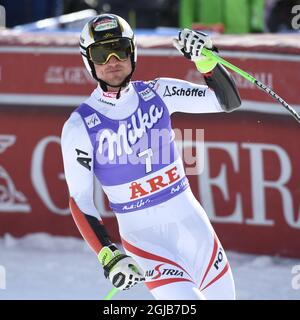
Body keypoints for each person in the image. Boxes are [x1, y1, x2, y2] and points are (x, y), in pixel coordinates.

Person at [61, 13, 241, 300]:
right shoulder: (79, 126)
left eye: (119, 49)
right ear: (88, 61)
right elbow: (80, 200)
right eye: (100, 53)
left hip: (194, 229)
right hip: (146, 243)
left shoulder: (159, 91)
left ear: (132, 52)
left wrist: (207, 62)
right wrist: (108, 254)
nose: (112, 61)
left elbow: (227, 102)